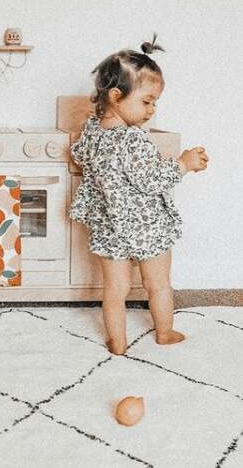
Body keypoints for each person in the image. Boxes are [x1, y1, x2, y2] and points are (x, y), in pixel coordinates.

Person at [69, 35, 209, 355]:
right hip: (148, 227)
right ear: (117, 96)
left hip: (111, 228)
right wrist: (183, 163)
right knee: (157, 284)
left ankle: (117, 344)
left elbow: (77, 154)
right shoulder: (132, 139)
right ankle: (165, 332)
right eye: (146, 101)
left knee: (115, 291)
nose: (151, 110)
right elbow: (152, 180)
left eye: (155, 102)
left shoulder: (92, 131)